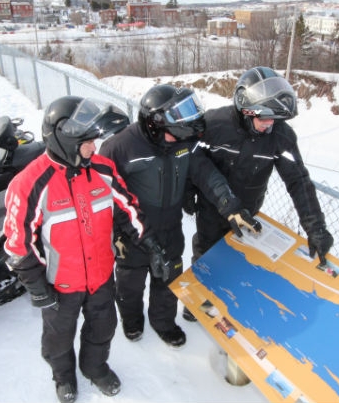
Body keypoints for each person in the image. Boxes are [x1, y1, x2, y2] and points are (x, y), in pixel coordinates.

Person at [2, 96, 168, 403]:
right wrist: (37, 287)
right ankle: (63, 376)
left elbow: (128, 209)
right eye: (88, 142)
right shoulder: (30, 183)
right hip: (59, 284)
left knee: (102, 327)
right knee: (58, 338)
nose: (95, 148)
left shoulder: (103, 169)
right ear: (64, 138)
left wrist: (151, 245)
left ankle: (95, 367)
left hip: (102, 276)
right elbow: (17, 243)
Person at [98, 84, 261, 347]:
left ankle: (163, 322)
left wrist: (231, 206)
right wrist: (116, 234)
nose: (181, 140)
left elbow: (208, 175)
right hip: (132, 233)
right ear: (155, 126)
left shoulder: (185, 143)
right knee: (130, 284)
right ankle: (131, 320)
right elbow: (107, 198)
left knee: (168, 280)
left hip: (170, 229)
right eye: (176, 134)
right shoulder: (119, 148)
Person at [187, 66, 334, 321]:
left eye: (274, 119)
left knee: (237, 259)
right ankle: (198, 305)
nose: (269, 124)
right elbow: (192, 161)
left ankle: (228, 301)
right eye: (263, 118)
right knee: (207, 254)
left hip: (249, 209)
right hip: (213, 207)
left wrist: (316, 228)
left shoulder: (281, 137)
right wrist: (194, 195)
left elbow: (299, 182)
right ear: (246, 111)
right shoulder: (214, 125)